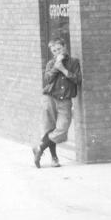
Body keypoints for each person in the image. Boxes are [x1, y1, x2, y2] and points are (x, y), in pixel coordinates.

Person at [32, 35, 81, 168]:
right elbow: (47, 79)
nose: (57, 52)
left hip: (65, 100)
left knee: (62, 128)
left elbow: (78, 80)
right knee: (50, 127)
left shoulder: (74, 62)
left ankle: (40, 147)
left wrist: (64, 70)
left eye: (59, 49)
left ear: (65, 47)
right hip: (50, 97)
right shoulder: (50, 63)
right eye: (54, 51)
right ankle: (54, 158)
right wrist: (56, 67)